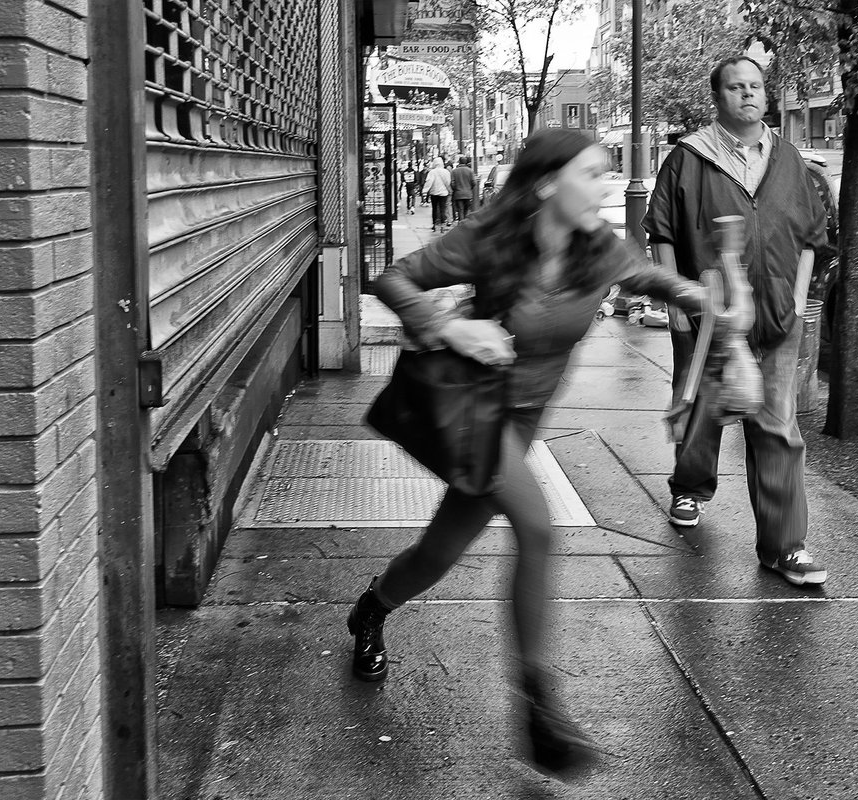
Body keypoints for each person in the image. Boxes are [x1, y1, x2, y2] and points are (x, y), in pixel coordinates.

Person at [350, 129, 709, 774]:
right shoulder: (490, 240)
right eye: (593, 173)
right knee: (537, 527)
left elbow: (652, 278)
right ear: (547, 184)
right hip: (477, 415)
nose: (606, 185)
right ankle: (538, 702)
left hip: (524, 422)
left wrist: (699, 296)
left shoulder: (599, 251)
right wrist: (452, 325)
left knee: (441, 549)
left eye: (609, 173)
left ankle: (372, 607)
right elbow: (394, 279)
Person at [642, 55, 831, 587]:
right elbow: (662, 233)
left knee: (777, 428)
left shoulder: (789, 160)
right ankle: (689, 485)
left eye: (755, 86)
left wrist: (795, 300)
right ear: (717, 97)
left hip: (776, 316)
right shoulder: (688, 159)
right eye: (735, 87)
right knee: (703, 416)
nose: (747, 94)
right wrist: (675, 302)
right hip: (709, 322)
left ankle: (784, 546)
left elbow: (813, 239)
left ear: (766, 96)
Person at [424, 156, 452, 232]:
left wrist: (424, 191)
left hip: (434, 192)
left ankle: (434, 225)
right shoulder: (446, 172)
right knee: (443, 209)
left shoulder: (432, 172)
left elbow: (429, 182)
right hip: (443, 193)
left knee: (434, 208)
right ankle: (443, 225)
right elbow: (448, 182)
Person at [450, 155, 477, 223]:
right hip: (468, 193)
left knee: (460, 209)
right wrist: (469, 188)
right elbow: (474, 182)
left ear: (459, 162)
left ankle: (461, 222)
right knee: (466, 209)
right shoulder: (470, 171)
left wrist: (456, 189)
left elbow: (452, 183)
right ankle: (465, 222)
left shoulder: (454, 171)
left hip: (458, 194)